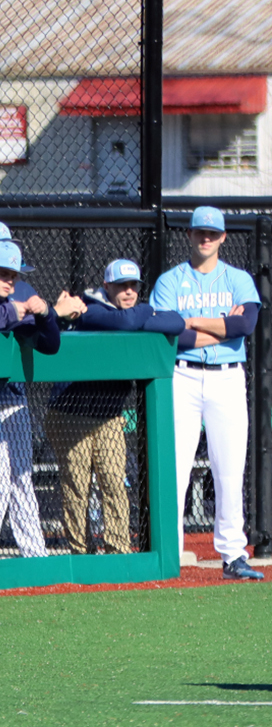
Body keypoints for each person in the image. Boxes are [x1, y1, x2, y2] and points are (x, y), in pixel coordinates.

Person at [153, 206, 264, 581]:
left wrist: (195, 321)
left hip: (228, 378)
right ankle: (168, 552)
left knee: (229, 468)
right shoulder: (170, 281)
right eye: (200, 232)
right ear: (189, 234)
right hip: (182, 376)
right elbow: (171, 332)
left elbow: (245, 324)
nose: (205, 238)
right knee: (175, 467)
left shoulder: (238, 279)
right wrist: (221, 326)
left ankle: (233, 555)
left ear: (223, 238)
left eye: (212, 233)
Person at [51, 259, 185, 555]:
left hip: (108, 415)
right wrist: (148, 313)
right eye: (121, 286)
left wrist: (143, 314)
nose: (128, 292)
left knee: (114, 483)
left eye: (133, 286)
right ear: (107, 286)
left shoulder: (133, 311)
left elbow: (178, 323)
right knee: (77, 486)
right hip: (70, 410)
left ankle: (118, 549)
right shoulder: (88, 308)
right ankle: (80, 552)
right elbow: (124, 322)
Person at [0, 239, 73, 560]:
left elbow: (49, 345)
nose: (10, 281)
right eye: (3, 274)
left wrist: (47, 314)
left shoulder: (11, 299)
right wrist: (9, 312)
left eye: (14, 275)